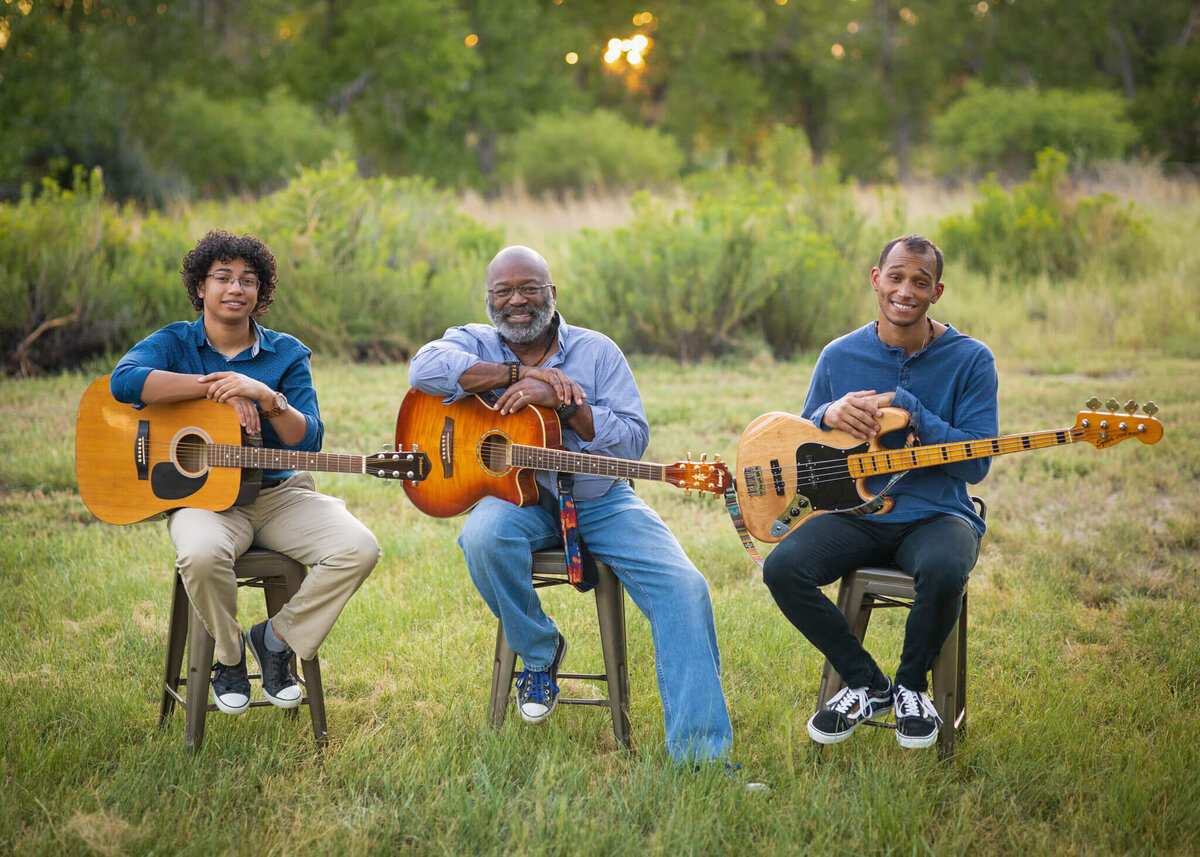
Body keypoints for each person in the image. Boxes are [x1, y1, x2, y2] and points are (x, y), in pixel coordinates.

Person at [407, 245, 735, 765]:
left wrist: (567, 404)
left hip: (600, 500)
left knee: (684, 588)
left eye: (529, 288)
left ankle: (702, 759)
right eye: (503, 291)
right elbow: (423, 370)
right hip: (515, 500)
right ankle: (540, 652)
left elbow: (632, 444)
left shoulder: (598, 351)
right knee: (482, 536)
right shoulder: (473, 340)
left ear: (552, 294)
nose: (516, 300)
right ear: (489, 298)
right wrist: (518, 378)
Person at [110, 230, 380, 717]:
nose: (236, 288)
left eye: (248, 280)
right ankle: (229, 657)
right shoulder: (175, 342)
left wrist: (263, 394)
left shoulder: (287, 353)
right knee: (199, 553)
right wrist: (214, 388)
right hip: (205, 502)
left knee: (359, 548)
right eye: (223, 278)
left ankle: (276, 640)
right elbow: (124, 381)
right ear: (200, 288)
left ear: (261, 293)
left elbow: (308, 439)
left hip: (279, 496)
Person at [762, 234, 998, 749]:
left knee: (942, 568)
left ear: (937, 291)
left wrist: (913, 410)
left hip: (937, 514)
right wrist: (826, 414)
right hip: (856, 513)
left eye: (920, 281)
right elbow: (803, 436)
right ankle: (867, 684)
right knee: (781, 568)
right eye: (896, 277)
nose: (905, 291)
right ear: (876, 279)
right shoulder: (838, 354)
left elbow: (978, 460)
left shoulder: (972, 360)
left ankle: (913, 687)